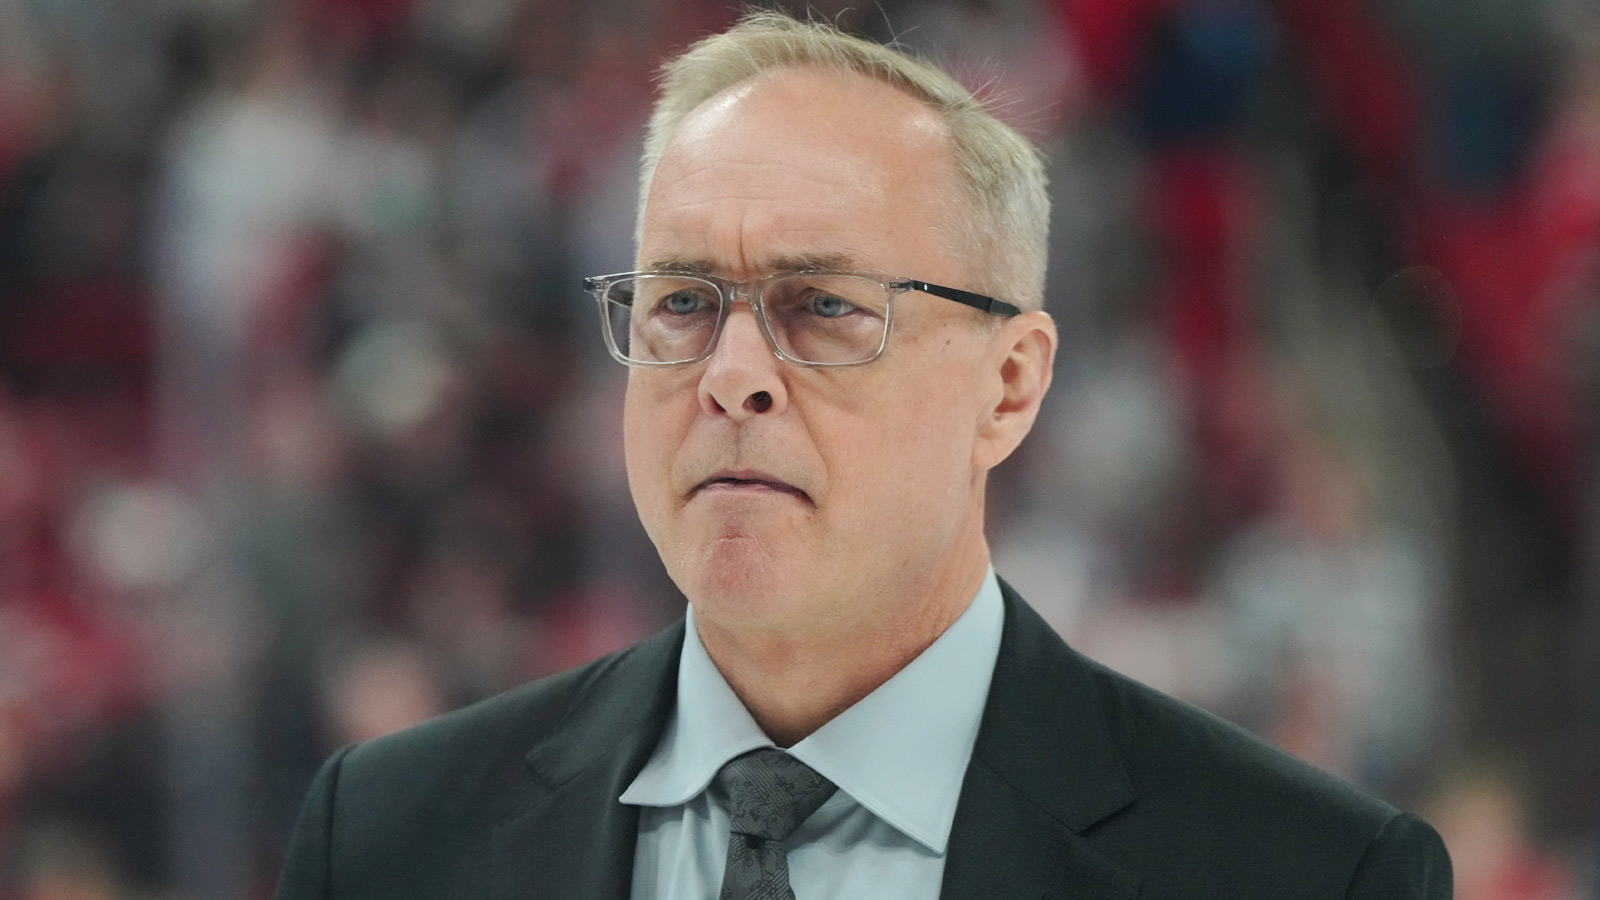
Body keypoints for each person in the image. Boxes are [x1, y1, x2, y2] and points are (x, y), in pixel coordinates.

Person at [275, 12, 1452, 899]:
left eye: (823, 307)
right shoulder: (386, 837)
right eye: (682, 300)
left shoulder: (1302, 874)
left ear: (1009, 385)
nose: (730, 372)